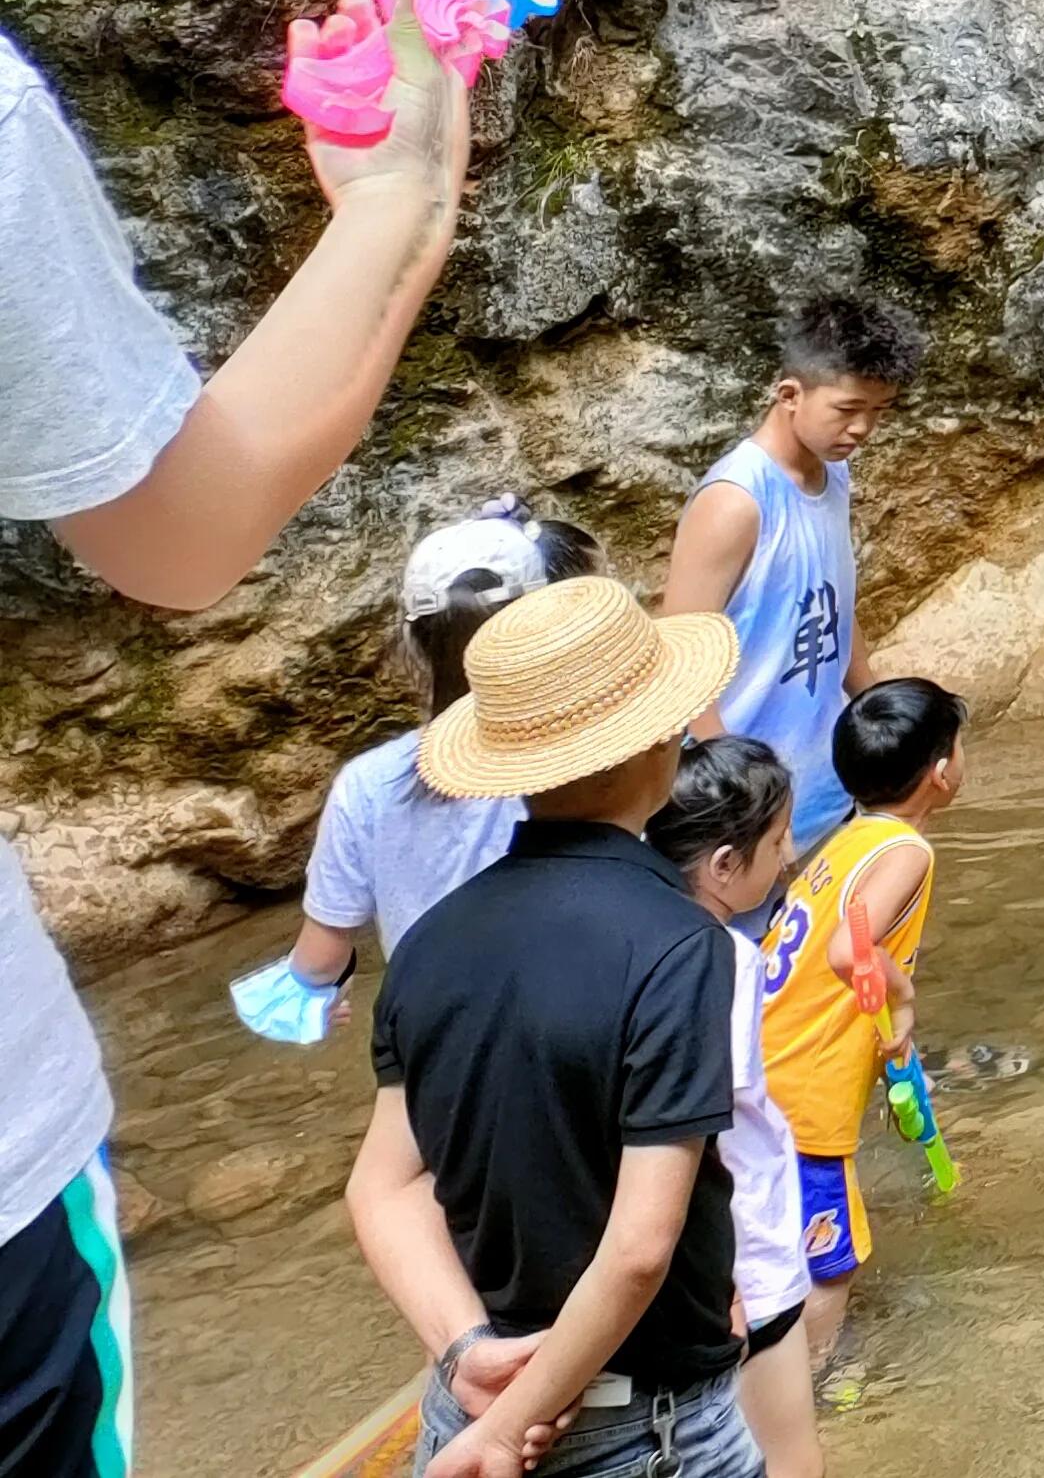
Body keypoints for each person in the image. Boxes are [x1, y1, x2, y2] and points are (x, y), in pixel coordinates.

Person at [2, 0, 469, 1478]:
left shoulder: (377, 784)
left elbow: (324, 947)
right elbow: (181, 532)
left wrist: (313, 987)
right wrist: (401, 198)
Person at [341, 575, 752, 1478]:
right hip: (639, 1428)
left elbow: (383, 1187)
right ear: (660, 739)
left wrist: (467, 1352)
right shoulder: (680, 944)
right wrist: (508, 1428)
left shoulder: (429, 942)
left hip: (472, 1401)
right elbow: (639, 1248)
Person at [238, 509, 595, 1043]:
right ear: (544, 623)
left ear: (413, 643)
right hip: (579, 1020)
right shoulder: (585, 747)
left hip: (441, 1044)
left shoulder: (368, 784)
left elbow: (318, 963)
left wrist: (312, 1000)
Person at [752, 678, 966, 1380]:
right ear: (941, 771)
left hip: (763, 1060)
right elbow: (851, 951)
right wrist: (903, 1000)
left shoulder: (850, 838)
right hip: (806, 1089)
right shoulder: (907, 851)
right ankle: (816, 1384)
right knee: (832, 1261)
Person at [663, 298, 922, 856]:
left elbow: (832, 603)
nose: (864, 428)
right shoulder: (735, 501)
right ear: (789, 395)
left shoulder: (834, 473)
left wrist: (883, 716)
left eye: (880, 410)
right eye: (848, 408)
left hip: (825, 786)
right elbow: (678, 661)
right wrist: (743, 805)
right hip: (744, 809)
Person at [646, 738, 822, 1478]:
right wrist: (733, 1288)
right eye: (777, 842)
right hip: (741, 1255)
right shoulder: (724, 957)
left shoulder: (639, 937)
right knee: (791, 1458)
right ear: (723, 864)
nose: (789, 857)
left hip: (686, 1273)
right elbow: (709, 1127)